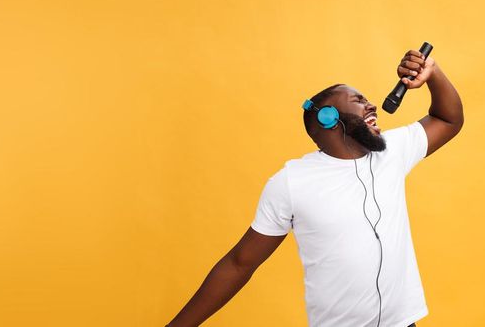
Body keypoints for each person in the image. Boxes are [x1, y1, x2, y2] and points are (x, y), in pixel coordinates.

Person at [167, 48, 463, 327]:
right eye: (359, 100)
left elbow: (448, 118)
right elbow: (238, 264)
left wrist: (432, 74)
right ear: (328, 118)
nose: (371, 104)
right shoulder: (291, 182)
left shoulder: (392, 151)